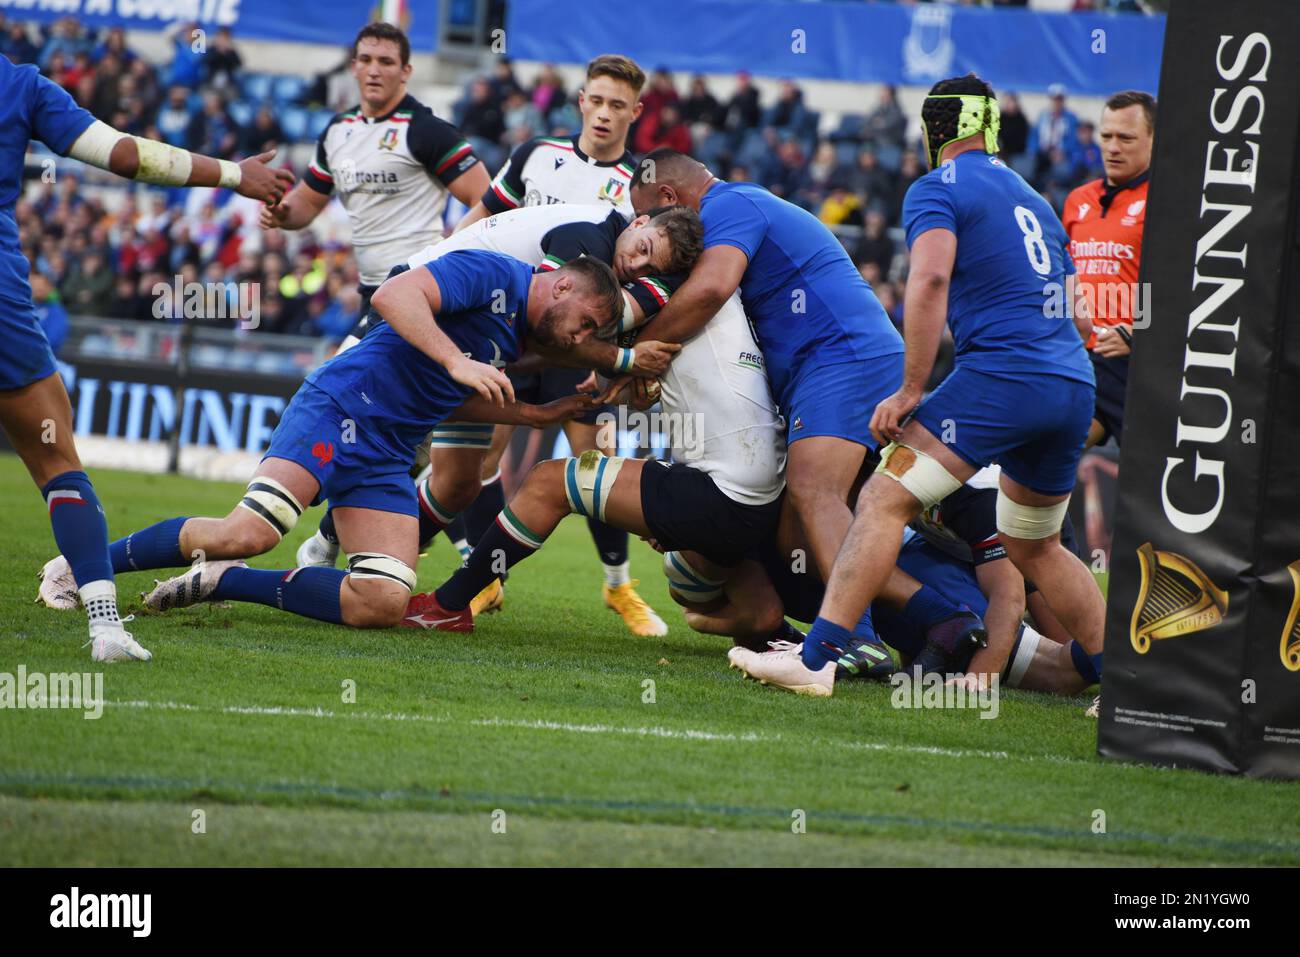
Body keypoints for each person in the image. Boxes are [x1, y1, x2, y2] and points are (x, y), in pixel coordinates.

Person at [728, 73, 1104, 699]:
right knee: (1033, 544)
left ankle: (818, 660)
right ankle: (1117, 676)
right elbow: (1082, 316)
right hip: (1070, 381)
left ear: (935, 128)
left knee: (881, 500)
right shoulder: (1034, 197)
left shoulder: (939, 186)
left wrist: (909, 390)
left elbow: (928, 282)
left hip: (1003, 374)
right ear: (990, 126)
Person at [48, 252, 622, 631]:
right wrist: (457, 359)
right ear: (563, 283)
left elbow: (457, 392)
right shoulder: (494, 274)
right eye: (589, 323)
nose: (583, 338)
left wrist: (536, 412)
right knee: (248, 531)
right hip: (341, 405)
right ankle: (75, 566)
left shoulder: (515, 330)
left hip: (387, 451)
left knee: (384, 600)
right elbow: (392, 297)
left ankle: (222, 581)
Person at [15, 53, 293, 661]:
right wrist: (232, 174)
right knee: (57, 460)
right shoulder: (19, 85)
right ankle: (107, 628)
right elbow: (124, 156)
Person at [624, 148, 905, 670]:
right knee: (802, 521)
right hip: (826, 363)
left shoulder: (730, 206)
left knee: (813, 490)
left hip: (841, 354)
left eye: (651, 221)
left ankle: (859, 639)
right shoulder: (742, 206)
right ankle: (937, 620)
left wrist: (636, 359)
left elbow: (710, 289)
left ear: (669, 198)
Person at [438, 55, 671, 637]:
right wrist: (439, 262)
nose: (603, 113)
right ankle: (486, 575)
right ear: (581, 100)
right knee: (482, 461)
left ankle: (619, 586)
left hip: (577, 347)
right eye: (596, 100)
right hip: (509, 335)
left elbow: (643, 273)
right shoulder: (537, 155)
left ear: (636, 112)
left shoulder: (641, 187)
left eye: (618, 105)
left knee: (592, 461)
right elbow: (485, 216)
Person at [404, 292, 786, 633]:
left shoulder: (692, 294)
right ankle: (806, 636)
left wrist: (617, 364)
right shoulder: (739, 314)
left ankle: (447, 605)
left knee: (551, 481)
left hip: (726, 497)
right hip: (760, 503)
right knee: (757, 614)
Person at [259, 22, 489, 329]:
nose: (374, 70)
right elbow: (308, 202)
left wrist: (448, 258)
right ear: (353, 67)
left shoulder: (427, 130)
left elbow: (486, 199)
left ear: (406, 71)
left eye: (386, 61)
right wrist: (283, 213)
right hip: (372, 291)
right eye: (366, 60)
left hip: (417, 288)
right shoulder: (337, 131)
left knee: (337, 376)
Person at [1061, 90, 1154, 449]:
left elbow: (1185, 290)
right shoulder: (1077, 201)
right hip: (1080, 359)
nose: (1113, 147)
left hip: (1134, 367)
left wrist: (1138, 333)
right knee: (1048, 459)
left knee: (1153, 475)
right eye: (1106, 136)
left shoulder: (1166, 203)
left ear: (1152, 140)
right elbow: (1066, 276)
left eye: (1126, 138)